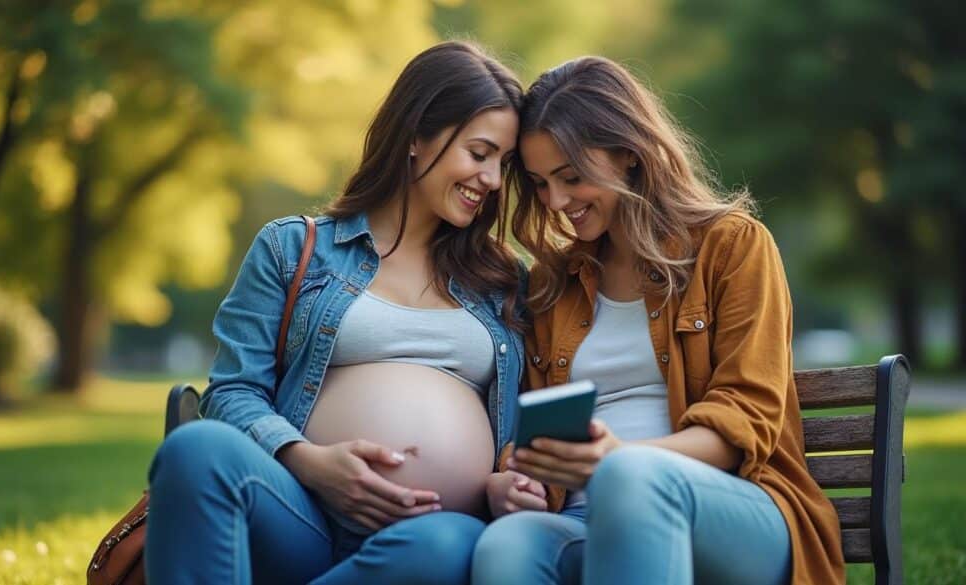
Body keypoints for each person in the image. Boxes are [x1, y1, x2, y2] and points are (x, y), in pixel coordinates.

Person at [144, 41, 528, 585]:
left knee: (449, 546)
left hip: (429, 538)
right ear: (416, 136)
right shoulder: (292, 249)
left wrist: (505, 478)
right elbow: (232, 392)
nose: (492, 180)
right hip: (299, 516)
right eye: (480, 153)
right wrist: (309, 462)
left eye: (503, 163)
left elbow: (528, 419)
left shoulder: (504, 283)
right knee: (194, 448)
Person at [472, 56, 844, 585]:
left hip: (737, 507)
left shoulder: (732, 247)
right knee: (507, 544)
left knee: (629, 478)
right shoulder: (553, 283)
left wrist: (618, 459)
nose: (555, 202)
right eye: (539, 184)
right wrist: (517, 476)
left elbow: (746, 419)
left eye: (571, 177)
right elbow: (536, 424)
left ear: (628, 152)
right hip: (583, 514)